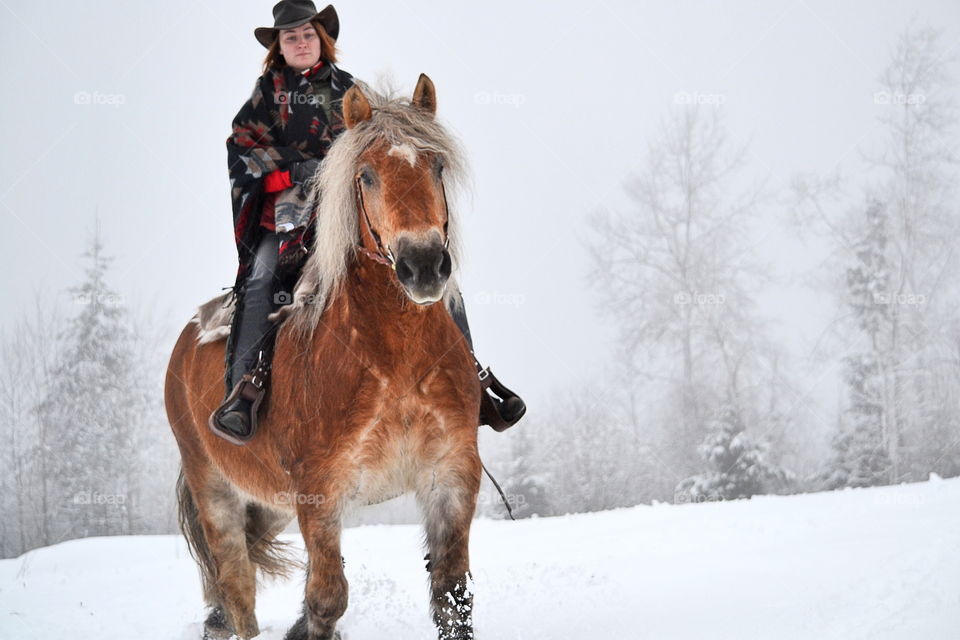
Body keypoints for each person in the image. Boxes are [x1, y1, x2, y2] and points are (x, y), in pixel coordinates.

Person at [210, 0, 525, 444]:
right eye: (290, 37)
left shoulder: (352, 90)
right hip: (292, 214)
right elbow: (242, 150)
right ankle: (244, 392)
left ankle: (472, 380)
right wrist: (295, 167)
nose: (301, 42)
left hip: (351, 211)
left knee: (429, 268)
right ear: (278, 47)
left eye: (307, 34)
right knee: (263, 280)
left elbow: (382, 145)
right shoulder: (267, 95)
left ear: (323, 39)